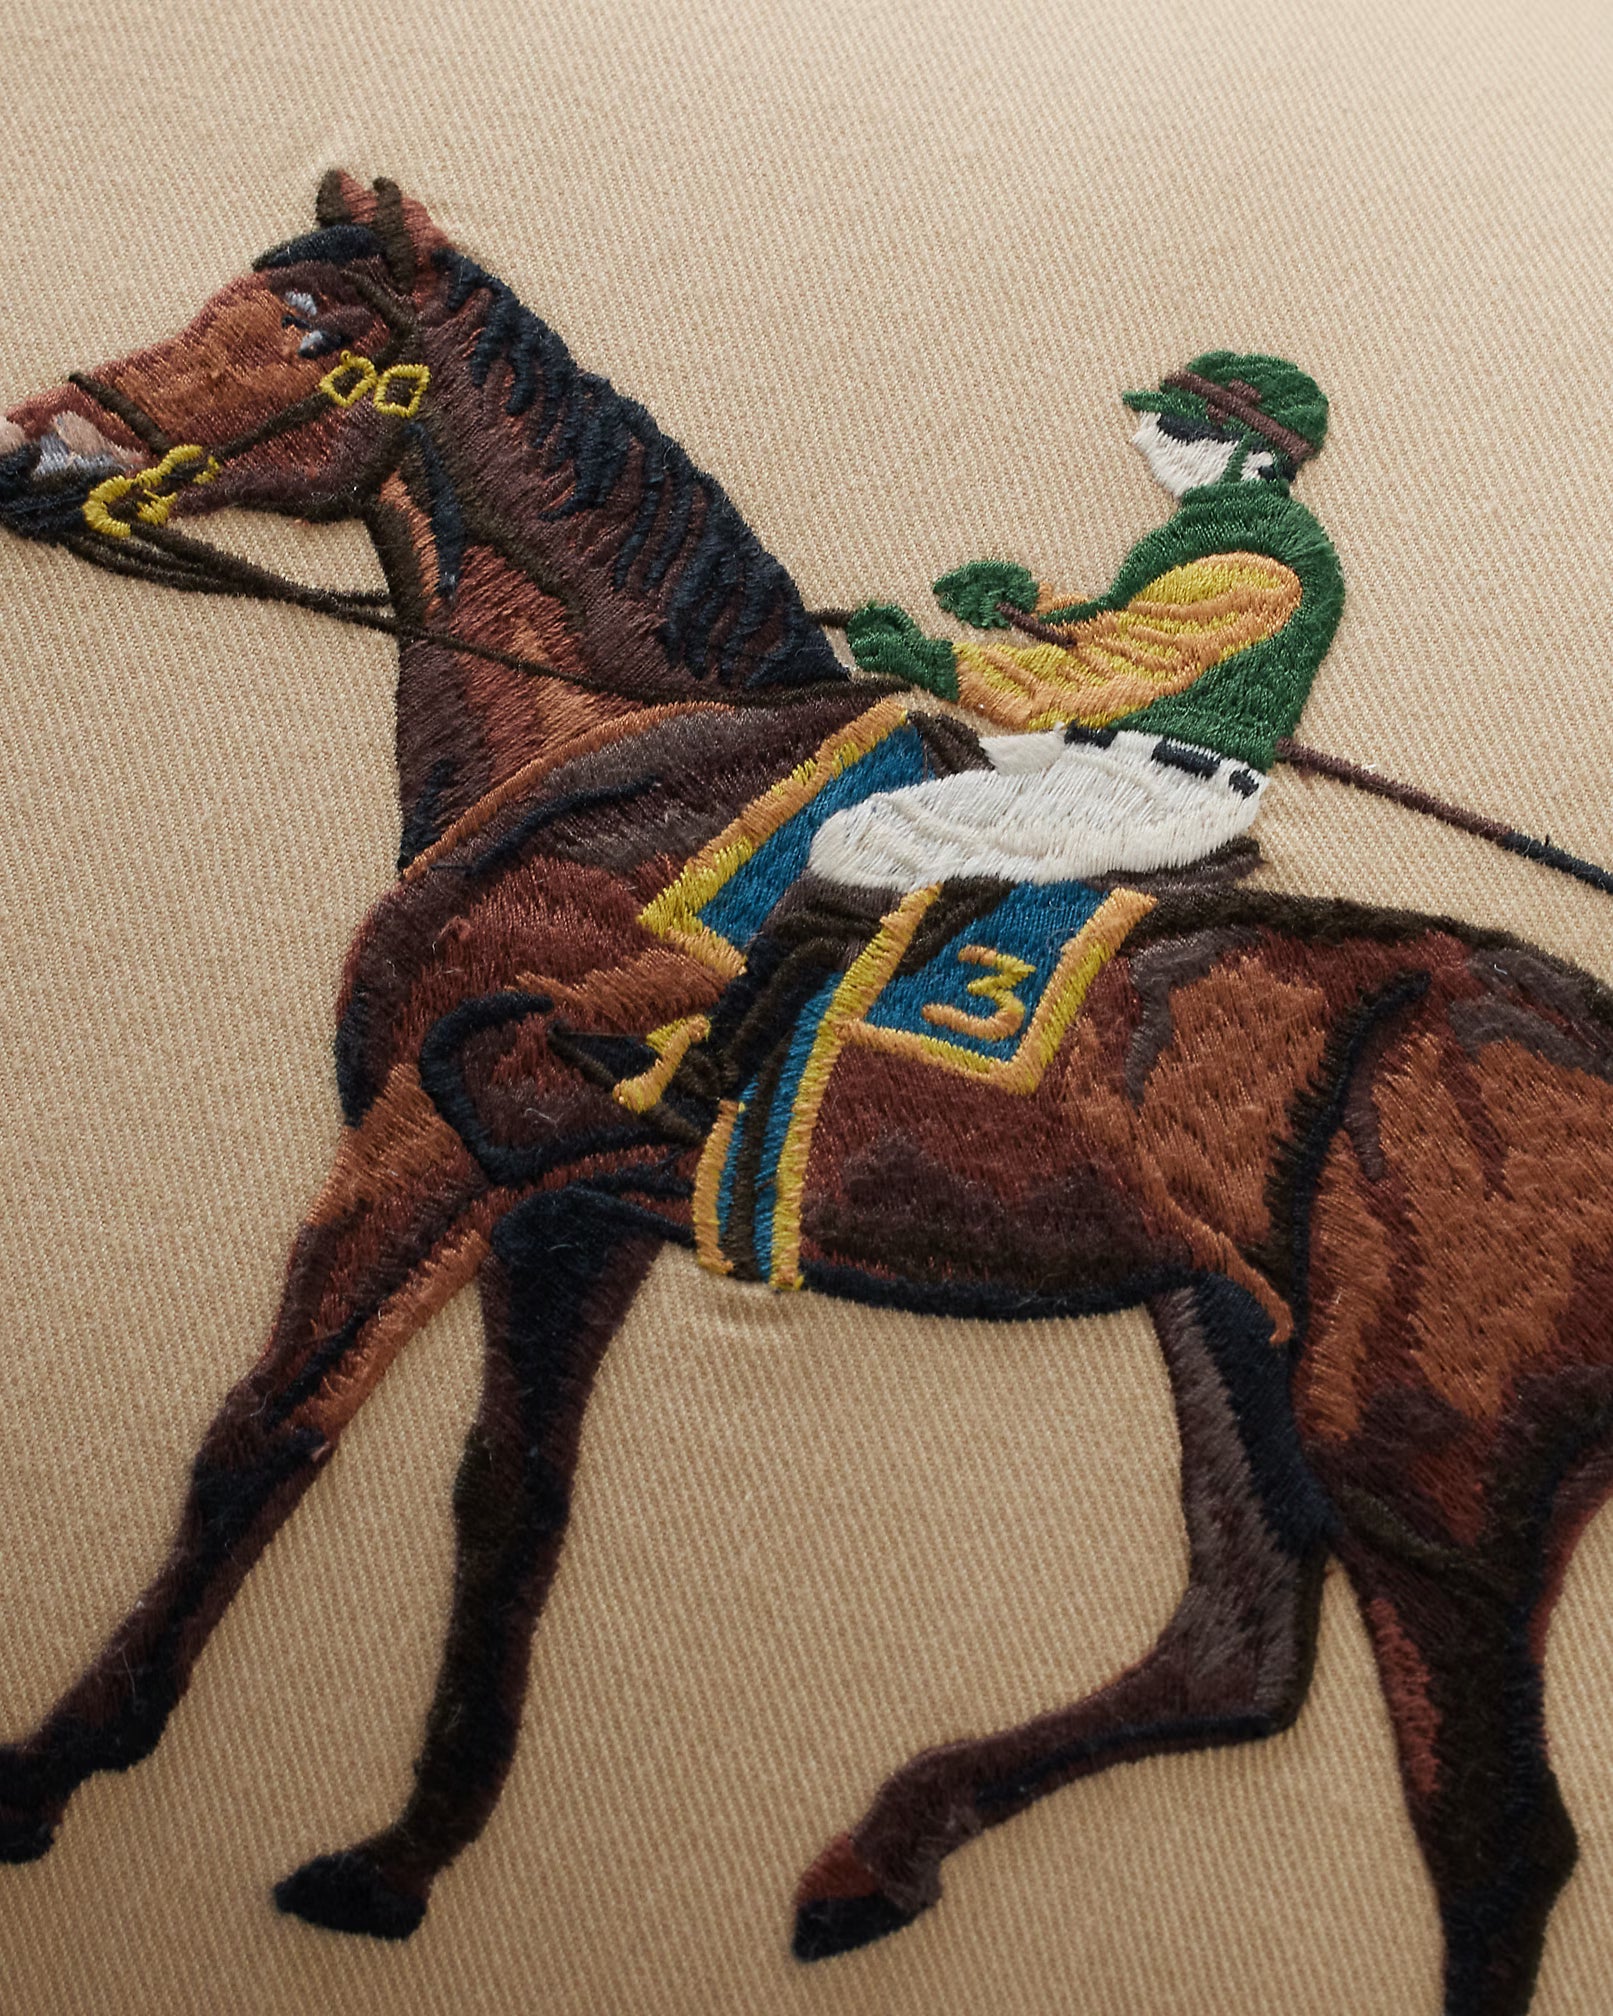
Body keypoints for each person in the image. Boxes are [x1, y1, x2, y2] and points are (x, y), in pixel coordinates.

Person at [809, 351, 1344, 895]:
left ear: (1256, 455)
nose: (1146, 436)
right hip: (1113, 755)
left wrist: (933, 663)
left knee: (854, 843)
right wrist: (1034, 603)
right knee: (900, 758)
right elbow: (1133, 624)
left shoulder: (1257, 566)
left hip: (1155, 783)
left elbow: (1108, 676)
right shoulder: (1225, 530)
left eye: (1175, 426)